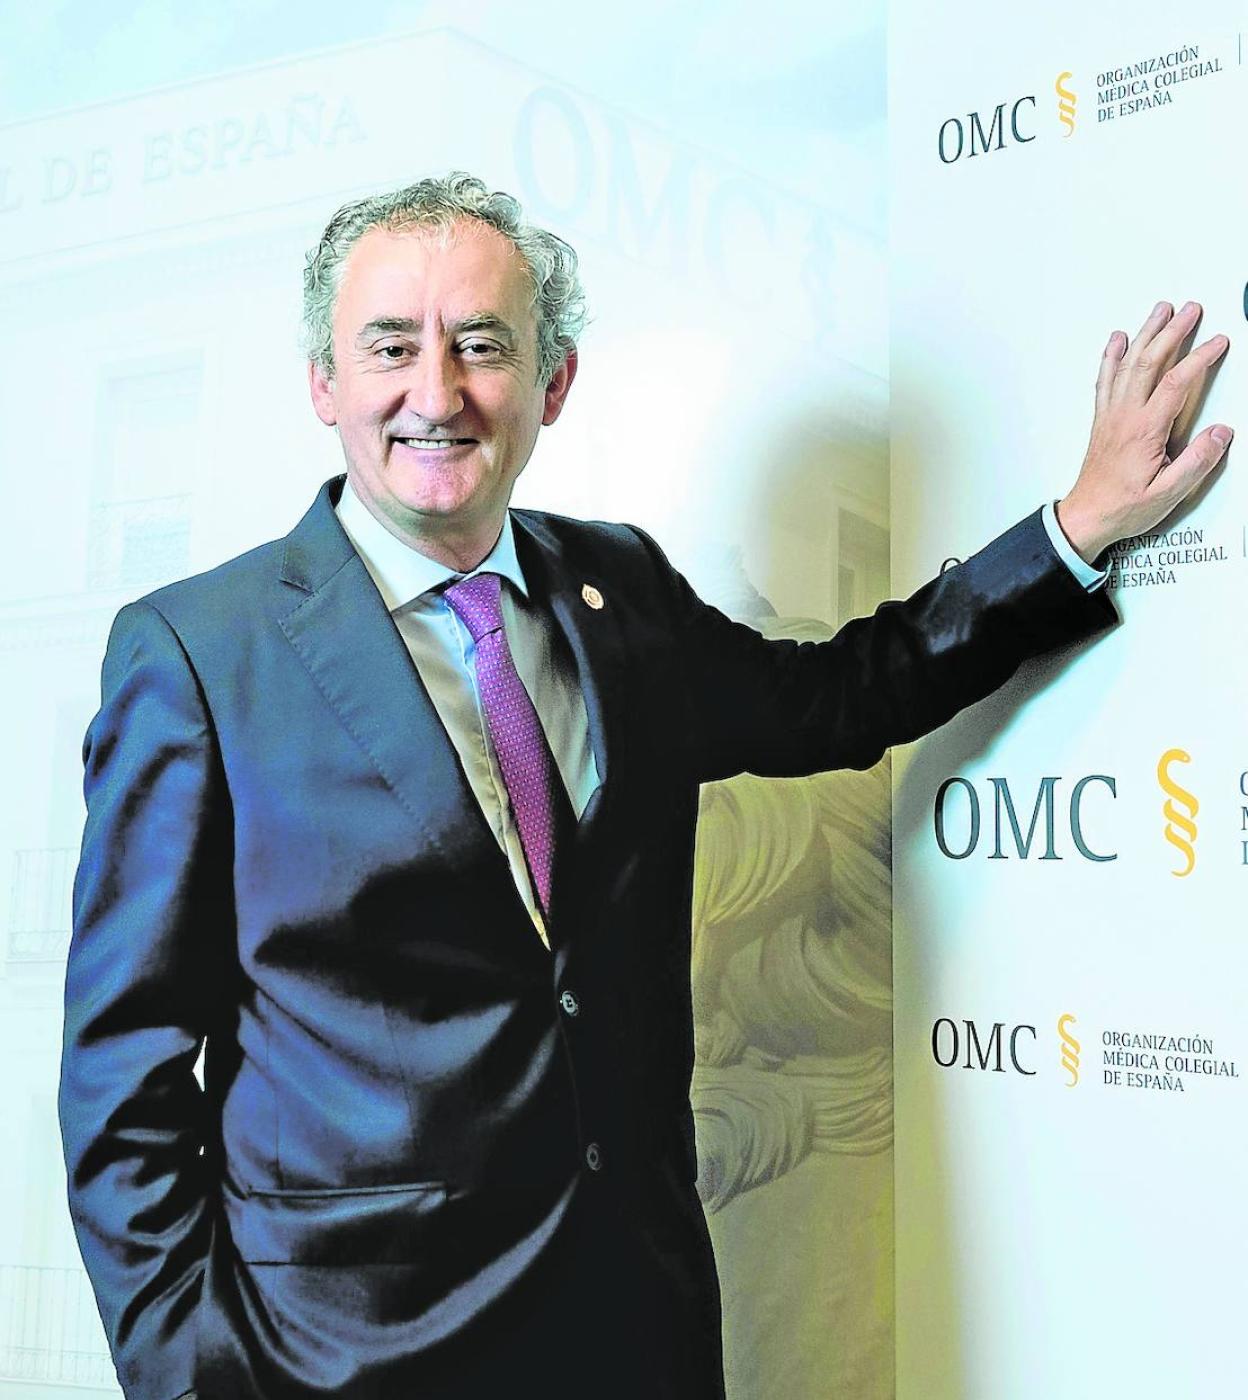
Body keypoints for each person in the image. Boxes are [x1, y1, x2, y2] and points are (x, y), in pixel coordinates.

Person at [57, 172, 1232, 1400]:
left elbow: (845, 694)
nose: (437, 393)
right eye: (391, 347)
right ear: (323, 381)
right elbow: (121, 1075)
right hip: (339, 1362)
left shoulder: (619, 589)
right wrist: (192, 1376)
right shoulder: (198, 655)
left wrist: (1076, 526)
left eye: (483, 345)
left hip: (634, 1329)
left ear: (554, 381)